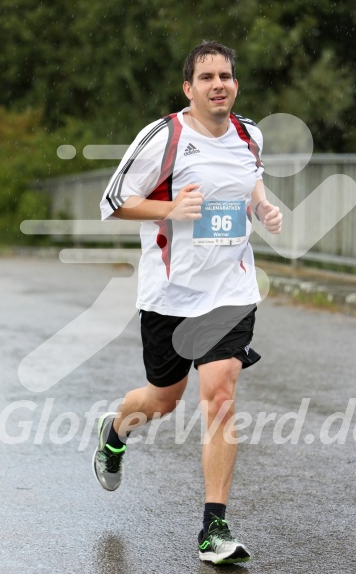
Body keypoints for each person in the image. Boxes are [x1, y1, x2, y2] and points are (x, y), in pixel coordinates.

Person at [94, 40, 282, 565]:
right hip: (171, 295)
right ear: (188, 88)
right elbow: (113, 202)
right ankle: (114, 429)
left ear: (235, 84)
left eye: (226, 75)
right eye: (206, 77)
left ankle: (213, 529)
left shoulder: (249, 133)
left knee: (220, 393)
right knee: (162, 400)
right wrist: (170, 207)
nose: (218, 84)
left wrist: (263, 207)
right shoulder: (165, 136)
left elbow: (250, 183)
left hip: (231, 292)